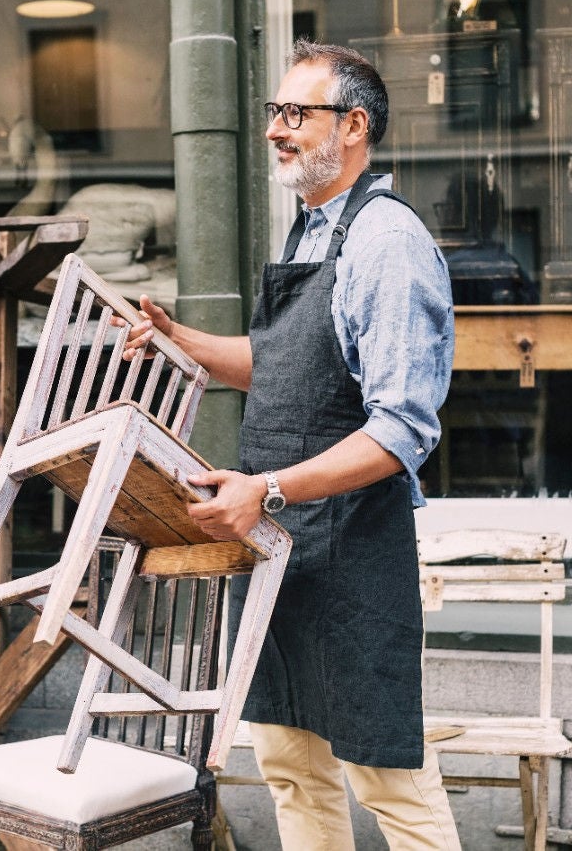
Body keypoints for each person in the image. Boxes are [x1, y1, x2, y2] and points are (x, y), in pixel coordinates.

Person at [122, 41, 460, 850]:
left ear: (354, 126)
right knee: (288, 766)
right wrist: (184, 339)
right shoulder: (312, 233)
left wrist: (266, 489)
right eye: (273, 112)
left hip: (349, 555)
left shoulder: (387, 242)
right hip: (280, 553)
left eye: (295, 114)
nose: (276, 129)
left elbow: (402, 428)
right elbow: (281, 366)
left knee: (389, 782)